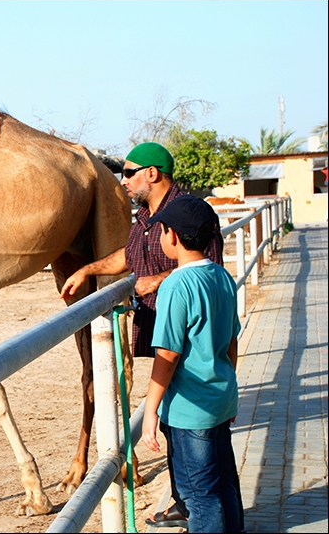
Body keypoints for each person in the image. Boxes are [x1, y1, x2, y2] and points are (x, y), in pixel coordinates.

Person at [60, 141, 224, 528]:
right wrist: (87, 270)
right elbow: (129, 256)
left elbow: (208, 267)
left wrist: (157, 280)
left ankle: (201, 511)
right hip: (165, 332)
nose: (124, 181)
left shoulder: (188, 214)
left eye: (129, 173)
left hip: (187, 337)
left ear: (152, 173)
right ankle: (186, 502)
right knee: (177, 425)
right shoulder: (146, 217)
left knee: (195, 438)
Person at [140, 194, 243, 533]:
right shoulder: (222, 276)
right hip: (220, 399)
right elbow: (231, 342)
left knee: (199, 495)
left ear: (171, 235)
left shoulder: (175, 285)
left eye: (161, 230)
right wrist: (227, 388)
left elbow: (168, 355)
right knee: (225, 482)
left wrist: (151, 411)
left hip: (189, 410)